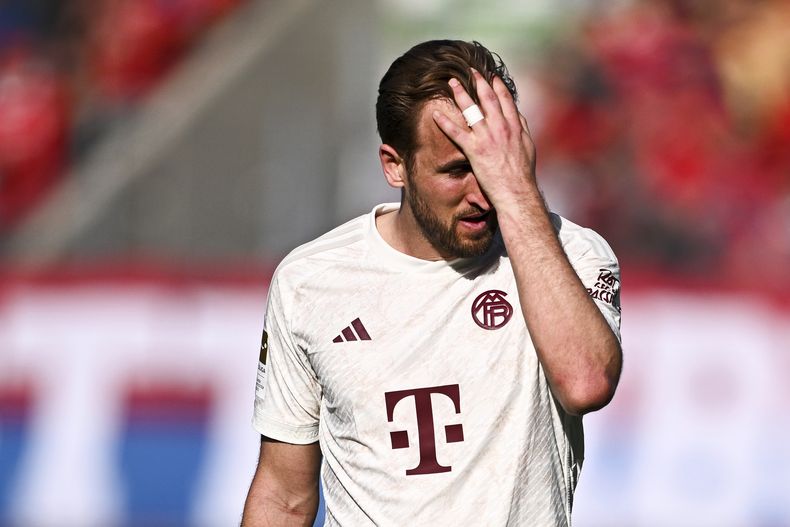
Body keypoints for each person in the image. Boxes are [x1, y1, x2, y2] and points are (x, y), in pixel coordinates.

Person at [242, 39, 622, 526]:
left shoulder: (570, 254)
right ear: (395, 165)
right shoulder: (310, 281)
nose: (482, 194)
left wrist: (517, 191)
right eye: (457, 171)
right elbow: (284, 496)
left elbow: (586, 383)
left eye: (492, 166)